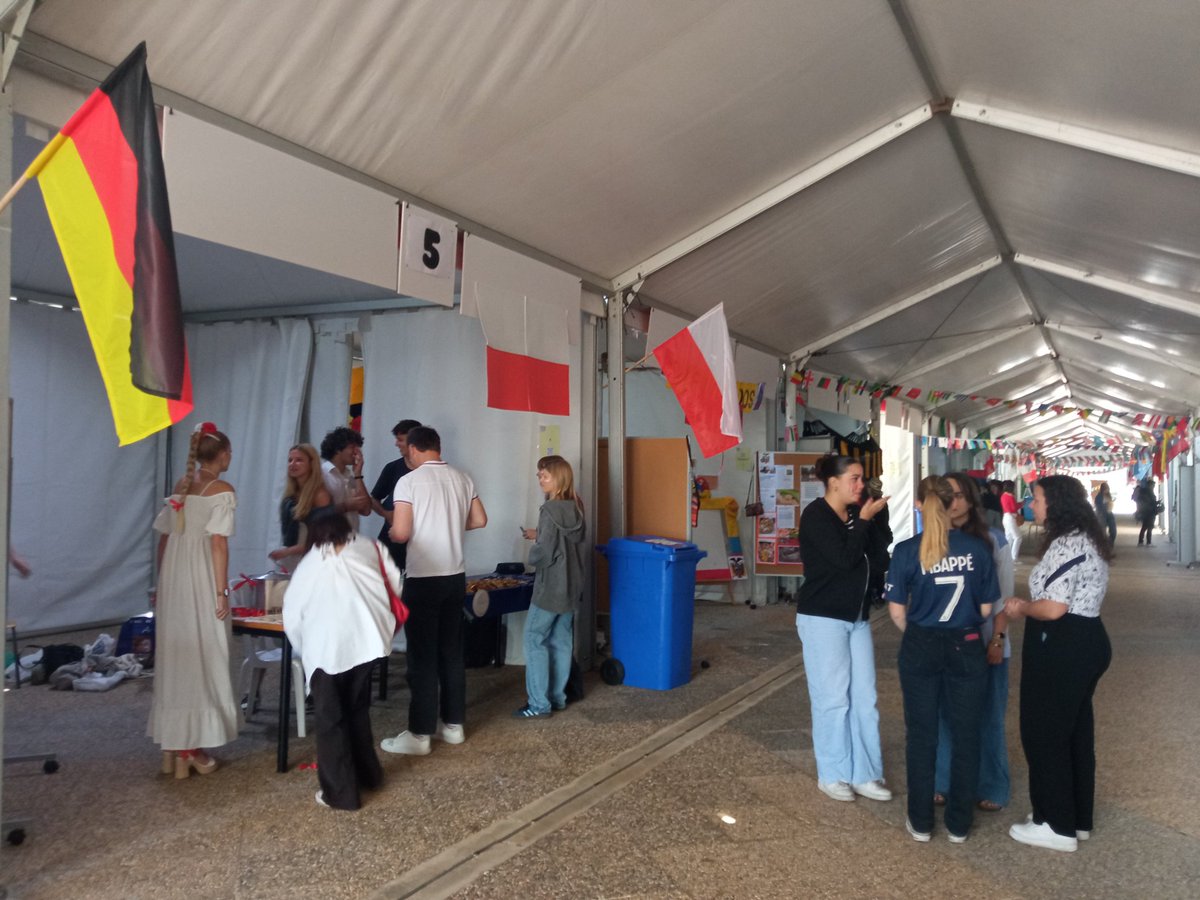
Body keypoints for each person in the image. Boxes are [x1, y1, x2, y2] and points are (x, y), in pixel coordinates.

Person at [886, 475, 998, 844]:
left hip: (921, 644)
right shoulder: (978, 548)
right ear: (954, 504)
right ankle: (959, 824)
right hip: (966, 644)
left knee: (922, 735)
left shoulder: (905, 551)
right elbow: (985, 608)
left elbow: (897, 612)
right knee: (967, 734)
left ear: (919, 505)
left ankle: (920, 822)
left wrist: (921, 633)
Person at [1004, 475, 1112, 853]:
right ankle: (1078, 818)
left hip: (1064, 644)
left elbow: (1053, 607)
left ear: (1056, 503)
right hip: (1087, 641)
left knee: (1044, 733)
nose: (1030, 505)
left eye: (1035, 498)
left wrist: (1020, 608)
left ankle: (1055, 823)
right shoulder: (1088, 537)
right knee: (1075, 732)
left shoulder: (1067, 544)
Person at [381, 426, 487, 756]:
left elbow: (400, 532)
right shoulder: (462, 477)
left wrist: (398, 531)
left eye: (405, 450)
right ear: (437, 448)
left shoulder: (409, 482)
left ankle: (420, 733)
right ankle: (454, 726)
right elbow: (480, 519)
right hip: (454, 576)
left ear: (413, 449)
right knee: (451, 651)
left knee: (422, 656)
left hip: (423, 578)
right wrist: (450, 524)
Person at [283, 511, 399, 810]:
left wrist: (302, 647)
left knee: (330, 721)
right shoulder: (370, 546)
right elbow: (395, 583)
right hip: (369, 642)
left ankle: (341, 794)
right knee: (357, 711)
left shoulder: (311, 562)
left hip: (325, 651)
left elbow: (293, 614)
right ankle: (369, 776)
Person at [795, 454, 893, 804]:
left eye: (862, 479)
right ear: (832, 482)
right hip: (823, 617)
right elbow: (843, 560)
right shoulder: (815, 516)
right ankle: (833, 773)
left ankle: (866, 772)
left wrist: (875, 518)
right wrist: (863, 522)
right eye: (853, 479)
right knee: (833, 699)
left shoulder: (857, 514)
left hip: (858, 617)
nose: (860, 485)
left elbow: (880, 558)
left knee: (865, 699)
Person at [148, 423, 240, 779]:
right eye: (229, 452)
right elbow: (218, 543)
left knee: (179, 654)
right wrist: (222, 591)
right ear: (223, 455)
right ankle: (190, 745)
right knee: (205, 651)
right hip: (201, 579)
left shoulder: (181, 487)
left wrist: (162, 584)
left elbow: (164, 541)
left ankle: (176, 744)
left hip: (174, 579)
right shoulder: (222, 490)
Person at [933, 473, 1014, 814]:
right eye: (944, 495)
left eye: (957, 495)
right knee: (943, 715)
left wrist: (997, 639)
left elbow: (1005, 598)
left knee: (988, 715)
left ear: (970, 499)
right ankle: (942, 782)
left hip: (986, 641)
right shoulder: (931, 540)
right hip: (943, 642)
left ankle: (992, 784)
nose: (952, 502)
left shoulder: (994, 540)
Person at [516, 456, 586, 718]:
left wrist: (533, 552)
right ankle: (557, 698)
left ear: (559, 478)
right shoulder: (576, 507)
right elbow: (567, 543)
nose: (540, 479)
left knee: (533, 640)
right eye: (539, 475)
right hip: (571, 587)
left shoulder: (548, 510)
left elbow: (545, 552)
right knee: (561, 641)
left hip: (549, 588)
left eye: (544, 475)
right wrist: (542, 534)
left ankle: (538, 704)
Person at [269, 444, 334, 571]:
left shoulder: (320, 495)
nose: (293, 464)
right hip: (291, 560)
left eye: (299, 460)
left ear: (311, 463)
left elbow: (323, 538)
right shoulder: (291, 493)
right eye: (290, 460)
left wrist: (288, 551)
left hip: (312, 560)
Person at [369, 419, 421, 570]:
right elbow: (374, 499)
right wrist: (387, 514)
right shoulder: (392, 468)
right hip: (391, 541)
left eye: (400, 440)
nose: (396, 444)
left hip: (420, 542)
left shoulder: (430, 470)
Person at [320, 426, 371, 531]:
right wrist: (346, 506)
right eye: (352, 447)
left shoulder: (350, 477)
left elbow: (366, 510)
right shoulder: (322, 474)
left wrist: (358, 474)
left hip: (351, 539)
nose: (356, 452)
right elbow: (317, 513)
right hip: (328, 539)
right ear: (338, 449)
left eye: (358, 448)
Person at [864, 477, 892, 609]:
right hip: (881, 538)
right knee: (879, 569)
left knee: (871, 569)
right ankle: (879, 594)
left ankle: (871, 595)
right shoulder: (882, 503)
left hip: (873, 539)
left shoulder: (869, 503)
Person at [1000, 480, 1023, 561]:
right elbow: (1014, 508)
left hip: (1006, 517)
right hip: (1011, 518)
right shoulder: (1010, 496)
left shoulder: (1003, 496)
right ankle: (1014, 557)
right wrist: (1021, 504)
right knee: (1018, 537)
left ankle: (1007, 556)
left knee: (1008, 537)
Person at [1133, 478, 1157, 546]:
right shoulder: (1150, 492)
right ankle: (1148, 542)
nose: (1154, 487)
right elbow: (1152, 502)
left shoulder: (1143, 492)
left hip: (1144, 512)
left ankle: (1140, 541)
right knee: (1149, 527)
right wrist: (1156, 506)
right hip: (1150, 512)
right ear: (1151, 485)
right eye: (1153, 485)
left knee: (1144, 527)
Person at [1094, 483, 1117, 549]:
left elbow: (1109, 504)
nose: (1107, 490)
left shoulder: (1108, 495)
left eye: (1107, 489)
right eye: (1105, 489)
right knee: (1102, 531)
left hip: (1109, 514)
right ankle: (1105, 545)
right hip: (1102, 515)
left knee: (1113, 531)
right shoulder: (1098, 497)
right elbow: (1099, 506)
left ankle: (1110, 543)